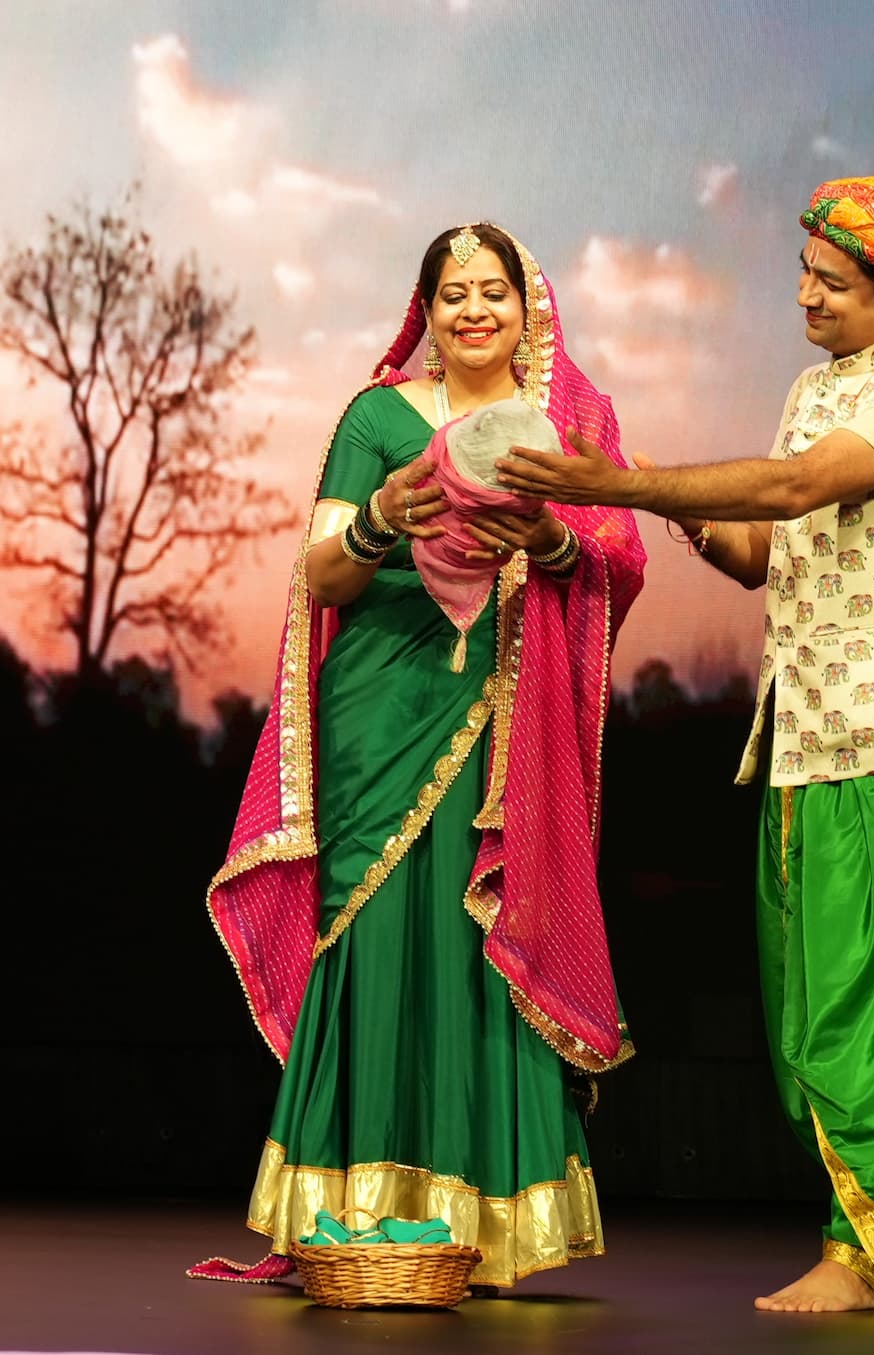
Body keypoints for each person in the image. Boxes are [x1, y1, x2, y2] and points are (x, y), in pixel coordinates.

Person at [497, 178, 874, 1313]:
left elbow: (797, 485)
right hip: (808, 731)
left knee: (862, 1003)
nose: (806, 294)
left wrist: (617, 481)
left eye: (833, 282)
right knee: (815, 998)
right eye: (806, 272)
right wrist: (657, 505)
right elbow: (767, 547)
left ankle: (862, 1252)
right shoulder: (815, 388)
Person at [194, 222, 645, 1289]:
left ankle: (491, 1221)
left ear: (529, 311)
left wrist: (552, 541)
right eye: (453, 293)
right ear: (427, 312)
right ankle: (346, 1214)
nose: (474, 310)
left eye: (494, 291)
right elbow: (321, 574)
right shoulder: (377, 416)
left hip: (504, 717)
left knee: (485, 935)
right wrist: (382, 518)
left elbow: (616, 557)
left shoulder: (567, 428)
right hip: (378, 710)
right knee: (374, 934)